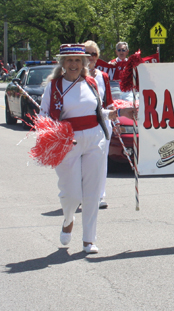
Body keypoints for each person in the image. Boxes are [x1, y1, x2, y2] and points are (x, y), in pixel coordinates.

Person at [39, 44, 136, 253]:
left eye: (77, 60)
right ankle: (68, 218)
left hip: (95, 139)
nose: (73, 64)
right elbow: (43, 115)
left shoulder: (91, 83)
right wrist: (51, 131)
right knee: (71, 194)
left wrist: (121, 113)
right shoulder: (53, 86)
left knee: (93, 191)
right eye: (69, 60)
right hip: (67, 142)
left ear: (83, 63)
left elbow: (100, 111)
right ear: (63, 63)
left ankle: (88, 240)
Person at [85, 40, 114, 209]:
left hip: (102, 123)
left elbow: (108, 101)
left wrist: (114, 117)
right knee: (84, 163)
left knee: (101, 161)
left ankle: (100, 195)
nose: (90, 57)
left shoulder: (103, 76)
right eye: (86, 54)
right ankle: (83, 195)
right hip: (83, 125)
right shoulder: (76, 76)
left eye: (93, 54)